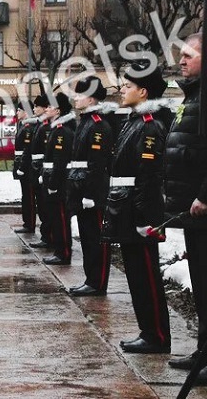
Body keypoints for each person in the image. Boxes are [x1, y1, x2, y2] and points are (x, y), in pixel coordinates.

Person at [103, 62, 170, 354]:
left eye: (127, 86)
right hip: (126, 207)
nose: (121, 89)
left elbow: (149, 175)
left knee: (146, 275)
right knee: (135, 274)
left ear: (143, 92)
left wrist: (145, 218)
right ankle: (148, 331)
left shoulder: (150, 125)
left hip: (137, 210)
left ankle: (156, 336)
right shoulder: (133, 121)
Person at [165, 33, 207, 376]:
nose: (182, 60)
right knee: (202, 288)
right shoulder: (192, 97)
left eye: (190, 55)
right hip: (192, 212)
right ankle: (202, 354)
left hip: (202, 208)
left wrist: (205, 195)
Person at [66, 76, 116, 296]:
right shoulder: (85, 122)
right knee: (87, 237)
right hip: (81, 188)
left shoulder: (97, 125)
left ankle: (98, 282)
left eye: (80, 94)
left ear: (92, 98)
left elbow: (97, 164)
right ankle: (91, 278)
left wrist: (90, 193)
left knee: (96, 238)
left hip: (92, 192)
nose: (76, 98)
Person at [41, 92, 77, 266]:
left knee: (61, 218)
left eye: (49, 106)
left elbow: (60, 160)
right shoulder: (56, 128)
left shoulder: (62, 131)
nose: (46, 109)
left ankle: (63, 253)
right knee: (56, 217)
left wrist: (54, 184)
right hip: (53, 179)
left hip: (60, 182)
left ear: (58, 110)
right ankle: (59, 250)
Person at [27, 94, 52, 249]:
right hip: (36, 170)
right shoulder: (40, 125)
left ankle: (48, 236)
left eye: (37, 106)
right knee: (42, 206)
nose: (34, 109)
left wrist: (41, 172)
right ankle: (46, 235)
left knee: (45, 207)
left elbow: (46, 152)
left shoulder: (47, 126)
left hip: (42, 171)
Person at [12, 105, 36, 234]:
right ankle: (27, 222)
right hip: (22, 165)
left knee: (29, 197)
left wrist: (22, 167)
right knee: (25, 196)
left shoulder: (29, 128)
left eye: (19, 110)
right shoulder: (22, 126)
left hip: (27, 167)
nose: (17, 112)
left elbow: (27, 149)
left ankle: (30, 224)